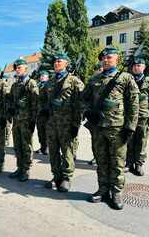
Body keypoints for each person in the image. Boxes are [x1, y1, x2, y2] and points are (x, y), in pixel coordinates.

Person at [83, 46, 139, 210]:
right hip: (98, 128)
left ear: (117, 59)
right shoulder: (94, 79)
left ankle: (116, 192)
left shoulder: (126, 78)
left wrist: (130, 126)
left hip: (117, 128)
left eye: (110, 57)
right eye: (104, 58)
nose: (106, 60)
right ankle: (103, 189)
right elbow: (82, 99)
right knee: (101, 160)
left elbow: (133, 104)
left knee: (117, 162)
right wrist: (88, 112)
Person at [44, 54, 84, 192]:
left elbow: (80, 104)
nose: (56, 63)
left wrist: (76, 124)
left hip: (67, 124)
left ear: (66, 63)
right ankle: (56, 176)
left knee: (67, 151)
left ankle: (66, 178)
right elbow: (44, 101)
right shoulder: (50, 82)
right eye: (55, 61)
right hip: (52, 123)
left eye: (59, 61)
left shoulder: (74, 81)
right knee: (53, 151)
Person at [126, 57, 149, 176]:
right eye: (135, 65)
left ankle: (139, 164)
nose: (136, 67)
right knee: (129, 139)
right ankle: (129, 162)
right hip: (129, 116)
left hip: (143, 116)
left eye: (139, 65)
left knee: (141, 140)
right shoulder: (127, 79)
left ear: (144, 67)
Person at [7, 59, 38, 182]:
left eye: (20, 67)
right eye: (16, 68)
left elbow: (36, 103)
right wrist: (11, 109)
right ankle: (19, 167)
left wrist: (33, 120)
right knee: (17, 145)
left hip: (26, 120)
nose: (17, 70)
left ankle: (26, 170)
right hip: (17, 120)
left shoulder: (31, 83)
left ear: (26, 69)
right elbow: (11, 100)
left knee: (26, 146)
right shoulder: (15, 85)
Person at [87, 62, 104, 166]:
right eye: (97, 69)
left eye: (101, 69)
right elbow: (85, 98)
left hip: (107, 116)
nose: (99, 71)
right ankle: (96, 157)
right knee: (95, 139)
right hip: (94, 116)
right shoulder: (92, 82)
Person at [35, 70, 50, 155]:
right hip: (39, 112)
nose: (42, 77)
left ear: (47, 77)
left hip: (46, 112)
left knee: (46, 131)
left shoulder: (49, 85)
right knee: (40, 131)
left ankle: (47, 148)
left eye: (43, 76)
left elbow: (49, 98)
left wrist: (47, 109)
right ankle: (42, 147)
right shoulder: (38, 85)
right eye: (41, 76)